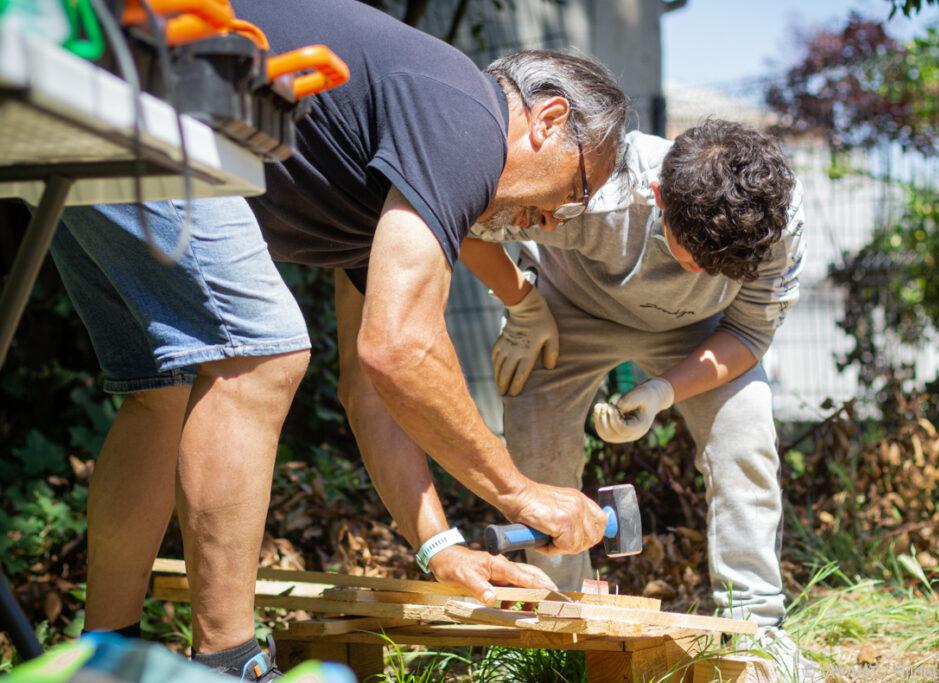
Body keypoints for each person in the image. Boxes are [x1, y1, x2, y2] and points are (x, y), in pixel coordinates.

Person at [51, 0, 628, 678]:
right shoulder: (468, 117)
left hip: (85, 101)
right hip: (150, 94)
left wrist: (438, 544)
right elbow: (402, 348)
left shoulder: (404, 163)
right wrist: (518, 491)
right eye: (578, 187)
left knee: (162, 389)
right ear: (549, 119)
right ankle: (229, 661)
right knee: (263, 355)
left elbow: (373, 386)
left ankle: (99, 656)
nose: (555, 220)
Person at [463, 120, 816, 679]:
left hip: (702, 334)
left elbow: (748, 335)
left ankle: (757, 629)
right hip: (567, 314)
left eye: (722, 265)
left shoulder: (778, 221)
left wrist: (663, 390)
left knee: (746, 440)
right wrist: (523, 304)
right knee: (538, 454)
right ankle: (555, 622)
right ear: (658, 198)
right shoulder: (594, 184)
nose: (702, 270)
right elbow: (465, 216)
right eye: (693, 253)